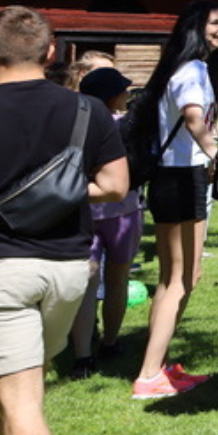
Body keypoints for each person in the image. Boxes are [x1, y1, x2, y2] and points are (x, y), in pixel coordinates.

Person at [0, 6, 128, 435]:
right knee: (24, 389)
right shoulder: (88, 110)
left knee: (18, 399)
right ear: (50, 53)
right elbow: (114, 186)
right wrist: (58, 191)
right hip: (69, 273)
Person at [130, 0, 218, 399]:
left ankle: (161, 365)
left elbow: (205, 121)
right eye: (215, 23)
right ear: (195, 28)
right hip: (182, 178)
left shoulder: (181, 69)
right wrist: (217, 156)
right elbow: (193, 118)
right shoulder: (193, 70)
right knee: (182, 280)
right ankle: (149, 374)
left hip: (172, 177)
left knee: (177, 278)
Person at [66, 68, 144, 378]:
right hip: (123, 211)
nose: (127, 93)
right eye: (123, 89)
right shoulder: (124, 126)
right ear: (112, 95)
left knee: (85, 286)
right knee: (118, 280)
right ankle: (110, 343)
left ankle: (82, 355)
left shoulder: (74, 125)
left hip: (83, 211)